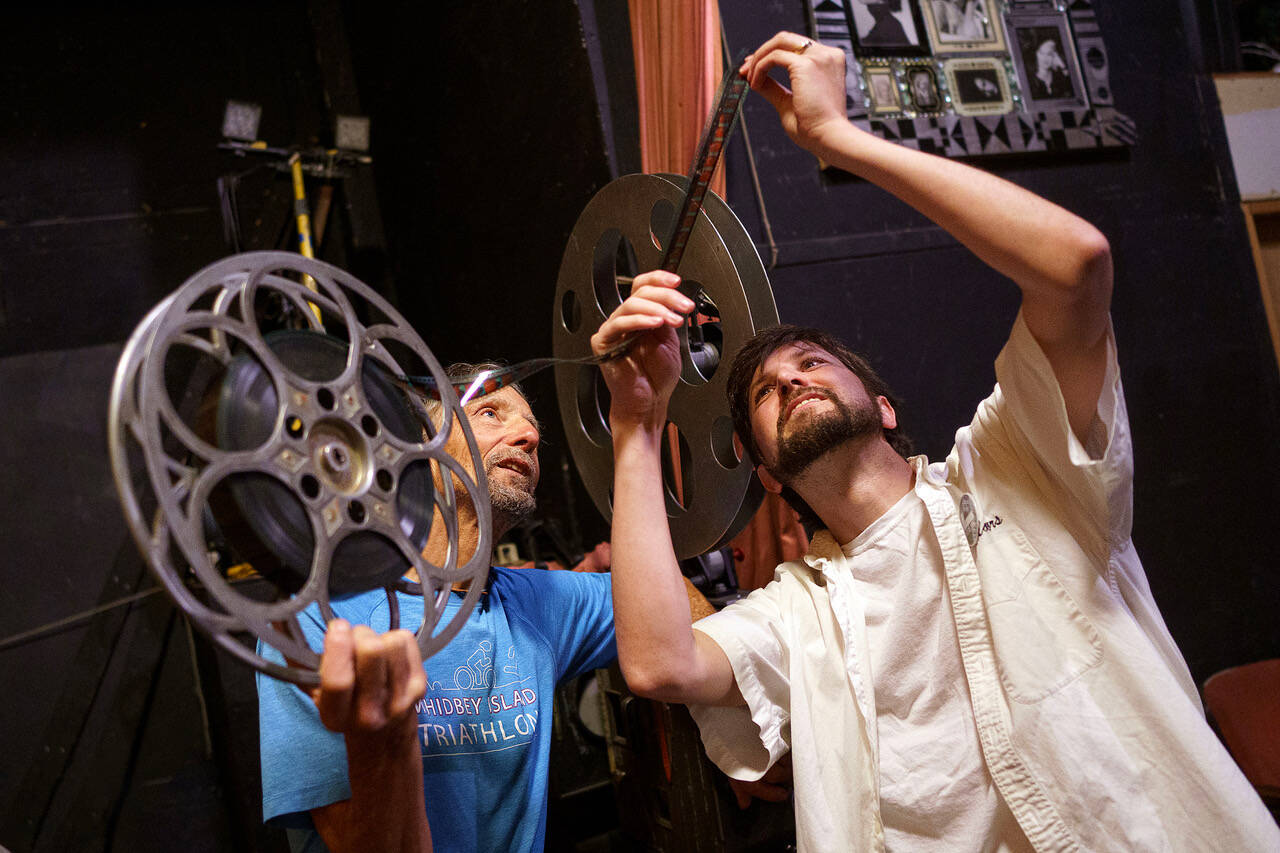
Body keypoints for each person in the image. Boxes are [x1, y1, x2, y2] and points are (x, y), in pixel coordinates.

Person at [594, 31, 1280, 853]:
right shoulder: (796, 616)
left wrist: (838, 141)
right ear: (767, 474)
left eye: (811, 362)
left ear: (882, 408)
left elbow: (1076, 264)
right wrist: (636, 424)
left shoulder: (1017, 471)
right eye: (765, 394)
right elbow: (660, 664)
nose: (790, 381)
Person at [256, 365, 625, 853]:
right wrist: (380, 747)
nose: (529, 435)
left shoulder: (543, 603)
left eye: (533, 425)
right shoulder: (319, 620)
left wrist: (741, 735)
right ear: (421, 448)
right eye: (491, 412)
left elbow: (674, 608)